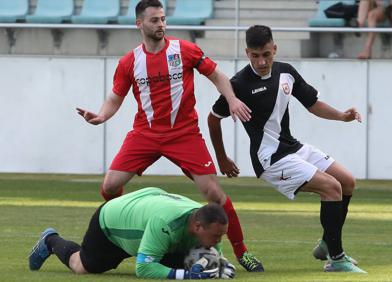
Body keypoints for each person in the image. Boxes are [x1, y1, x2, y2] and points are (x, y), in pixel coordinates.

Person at [75, 0, 263, 272]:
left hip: (184, 134)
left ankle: (242, 252)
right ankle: (125, 227)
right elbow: (115, 97)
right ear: (139, 23)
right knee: (110, 186)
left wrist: (232, 99)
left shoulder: (184, 50)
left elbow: (217, 75)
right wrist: (102, 116)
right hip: (146, 134)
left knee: (213, 192)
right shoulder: (130, 62)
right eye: (154, 20)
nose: (161, 24)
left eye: (163, 19)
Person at [207, 25, 367, 273]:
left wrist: (341, 116)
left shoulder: (286, 73)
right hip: (270, 158)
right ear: (247, 52)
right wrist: (222, 158)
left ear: (275, 49)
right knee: (331, 187)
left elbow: (312, 104)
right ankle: (336, 258)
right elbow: (213, 118)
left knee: (346, 181)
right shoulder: (238, 84)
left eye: (266, 55)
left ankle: (327, 243)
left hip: (292, 147)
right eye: (255, 55)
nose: (261, 61)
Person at [29, 187, 236, 279]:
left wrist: (213, 264)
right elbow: (144, 269)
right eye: (217, 236)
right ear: (198, 227)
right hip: (112, 221)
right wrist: (187, 275)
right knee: (82, 266)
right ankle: (50, 240)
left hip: (146, 211)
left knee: (185, 260)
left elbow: (212, 256)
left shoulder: (203, 219)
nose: (218, 241)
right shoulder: (165, 223)